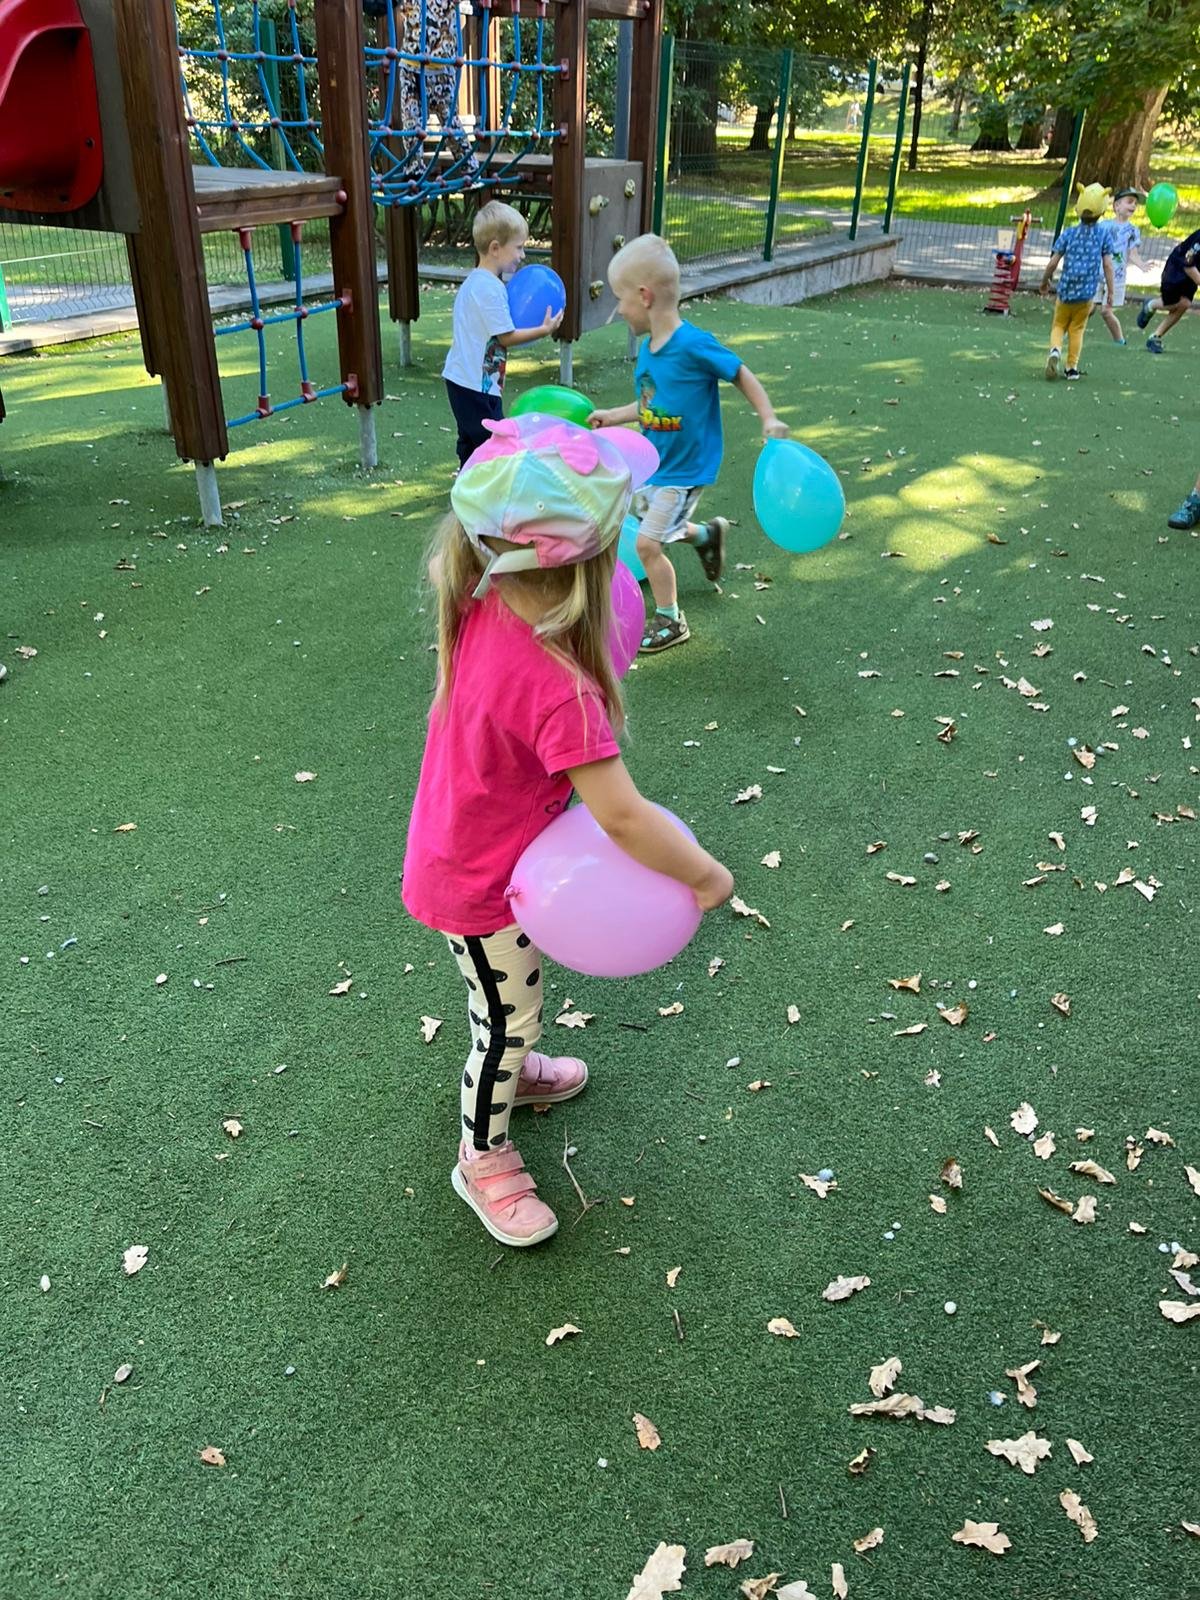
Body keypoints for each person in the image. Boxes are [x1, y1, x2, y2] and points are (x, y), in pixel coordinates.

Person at [401, 414, 735, 1247]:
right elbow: (622, 816)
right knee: (507, 1020)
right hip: (478, 879)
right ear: (596, 561)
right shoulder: (560, 689)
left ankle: (515, 1071)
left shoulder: (477, 590)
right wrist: (702, 875)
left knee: (504, 1000)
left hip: (486, 851)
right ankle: (482, 1155)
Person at [589, 234, 788, 655]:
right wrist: (615, 416)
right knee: (653, 522)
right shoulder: (649, 350)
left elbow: (740, 373)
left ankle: (670, 619)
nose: (618, 309)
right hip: (655, 464)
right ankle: (707, 536)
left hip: (685, 469)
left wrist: (768, 417)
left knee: (647, 544)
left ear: (644, 296)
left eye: (620, 299)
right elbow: (651, 405)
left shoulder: (692, 345)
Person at [442, 201, 563, 468]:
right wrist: (544, 330)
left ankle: (466, 482)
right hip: (477, 387)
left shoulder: (474, 282)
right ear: (495, 248)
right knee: (496, 447)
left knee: (471, 444)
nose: (522, 255)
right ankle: (484, 487)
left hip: (461, 380)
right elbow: (506, 337)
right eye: (518, 247)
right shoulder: (491, 289)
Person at [1038, 182, 1114, 381]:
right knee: (1077, 329)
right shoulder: (1103, 235)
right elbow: (1108, 265)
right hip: (1086, 295)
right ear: (1102, 211)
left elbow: (1053, 262)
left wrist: (1044, 281)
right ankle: (1071, 368)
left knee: (1058, 325)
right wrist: (1110, 290)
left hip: (1065, 291)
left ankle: (1055, 350)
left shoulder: (1069, 233)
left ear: (1078, 208)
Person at [1090, 187, 1152, 343]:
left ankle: (1119, 340)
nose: (1133, 206)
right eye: (1130, 202)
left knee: (1106, 311)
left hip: (1116, 277)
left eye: (1135, 203)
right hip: (1097, 274)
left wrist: (1141, 264)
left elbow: (1133, 254)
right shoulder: (1103, 226)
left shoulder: (1133, 230)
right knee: (1089, 308)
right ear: (1117, 206)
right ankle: (1070, 331)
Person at [1136, 223, 1200, 353]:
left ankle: (1155, 337)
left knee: (1185, 304)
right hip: (1177, 269)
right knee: (1173, 302)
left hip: (1194, 271)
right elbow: (1188, 264)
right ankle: (1151, 304)